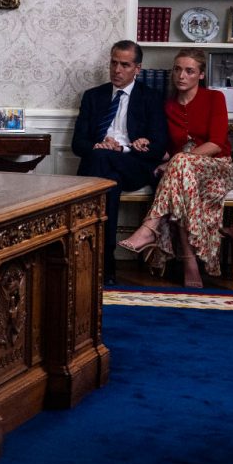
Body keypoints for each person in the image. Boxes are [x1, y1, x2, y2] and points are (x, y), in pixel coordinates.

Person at [119, 48, 233, 288]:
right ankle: (190, 262)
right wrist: (146, 142)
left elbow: (215, 144)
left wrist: (176, 160)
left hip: (217, 169)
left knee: (180, 163)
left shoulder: (214, 98)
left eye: (189, 71)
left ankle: (150, 226)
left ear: (200, 75)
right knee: (181, 184)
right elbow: (166, 148)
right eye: (177, 69)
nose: (181, 75)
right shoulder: (167, 107)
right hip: (183, 174)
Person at [71, 40, 168, 286]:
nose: (117, 69)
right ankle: (106, 263)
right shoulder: (93, 96)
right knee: (108, 181)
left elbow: (158, 147)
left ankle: (91, 260)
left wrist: (124, 147)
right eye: (114, 63)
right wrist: (99, 145)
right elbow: (77, 143)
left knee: (101, 162)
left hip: (134, 166)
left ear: (137, 68)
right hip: (104, 165)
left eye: (124, 65)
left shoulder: (151, 97)